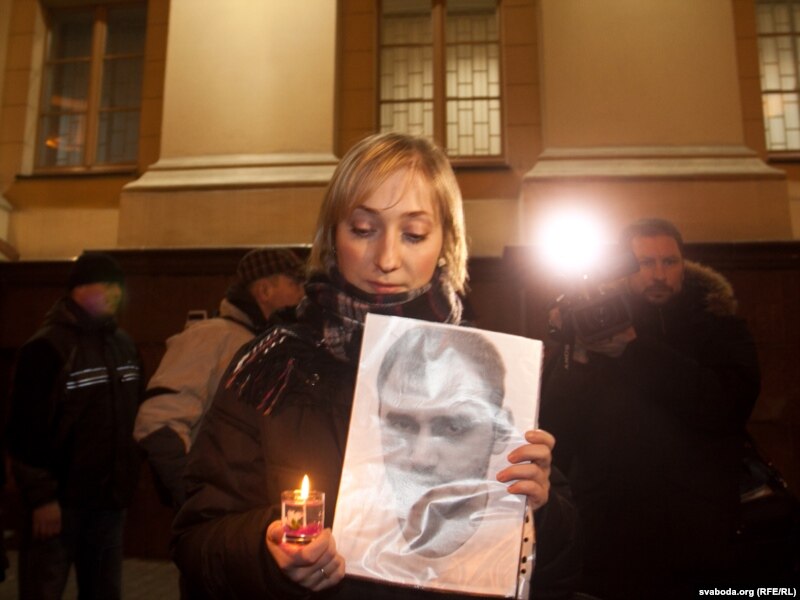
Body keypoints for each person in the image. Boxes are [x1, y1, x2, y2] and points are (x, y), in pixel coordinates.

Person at [172, 132, 582, 600]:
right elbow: (197, 541)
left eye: (414, 234)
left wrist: (539, 510)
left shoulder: (486, 365)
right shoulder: (271, 369)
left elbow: (564, 568)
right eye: (364, 230)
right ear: (332, 236)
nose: (387, 259)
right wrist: (268, 552)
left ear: (446, 241)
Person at [540, 217, 761, 599]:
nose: (659, 274)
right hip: (607, 534)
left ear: (684, 266)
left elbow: (726, 405)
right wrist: (575, 354)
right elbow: (555, 431)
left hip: (699, 533)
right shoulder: (593, 325)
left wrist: (634, 350)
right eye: (645, 263)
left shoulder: (720, 327)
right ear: (625, 269)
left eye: (669, 262)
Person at [6, 251, 144, 600]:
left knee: (104, 591)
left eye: (118, 286)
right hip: (60, 504)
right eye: (106, 285)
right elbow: (25, 431)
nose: (115, 294)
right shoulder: (46, 348)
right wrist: (42, 498)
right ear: (78, 289)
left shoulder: (124, 346)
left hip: (109, 501)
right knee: (44, 589)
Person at [134, 248, 305, 508]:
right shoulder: (211, 337)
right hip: (222, 508)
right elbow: (158, 421)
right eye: (295, 284)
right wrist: (194, 500)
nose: (302, 293)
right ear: (265, 291)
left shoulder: (269, 344)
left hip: (253, 504)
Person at [377, 325, 513, 559]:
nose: (421, 458)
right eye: (402, 425)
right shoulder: (345, 523)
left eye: (453, 428)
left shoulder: (531, 517)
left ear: (500, 430)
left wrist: (543, 520)